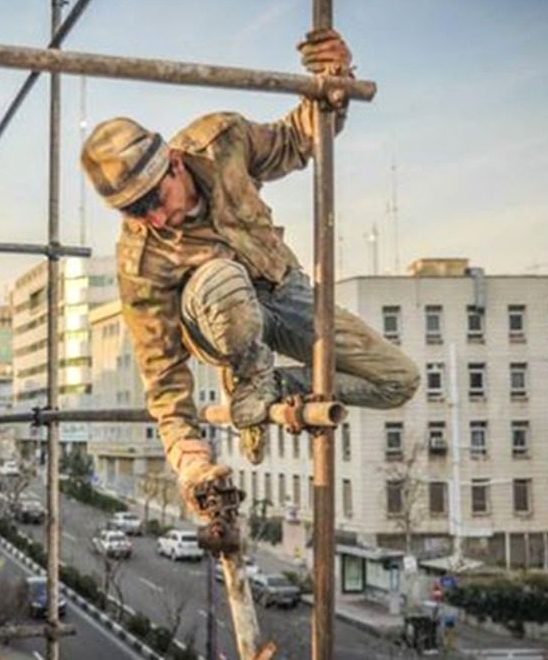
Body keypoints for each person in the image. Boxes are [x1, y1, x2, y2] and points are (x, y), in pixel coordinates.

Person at [80, 29, 419, 518]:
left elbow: (296, 142)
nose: (153, 219)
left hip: (282, 290)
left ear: (174, 163)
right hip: (217, 316)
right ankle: (248, 372)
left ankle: (267, 388)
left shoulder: (221, 143)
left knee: (398, 380)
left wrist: (334, 83)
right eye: (134, 212)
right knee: (221, 276)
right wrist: (192, 463)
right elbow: (164, 377)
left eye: (154, 199)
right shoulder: (142, 262)